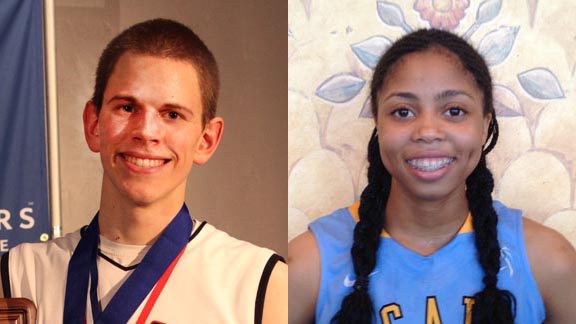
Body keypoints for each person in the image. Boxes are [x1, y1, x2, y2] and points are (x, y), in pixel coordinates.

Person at [0, 18, 287, 323]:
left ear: (206, 140)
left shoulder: (261, 284)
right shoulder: (17, 275)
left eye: (172, 114)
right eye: (127, 107)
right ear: (93, 124)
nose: (146, 131)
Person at [289, 29, 576, 324]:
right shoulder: (306, 267)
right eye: (402, 112)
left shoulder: (549, 263)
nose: (427, 131)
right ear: (379, 125)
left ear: (484, 125)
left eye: (454, 111)